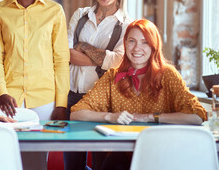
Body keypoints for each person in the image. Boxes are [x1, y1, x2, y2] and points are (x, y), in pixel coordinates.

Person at [71, 19, 207, 170]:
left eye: (144, 42)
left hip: (162, 154)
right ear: (125, 44)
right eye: (132, 41)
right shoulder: (113, 76)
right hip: (123, 157)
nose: (137, 48)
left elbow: (196, 116)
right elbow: (76, 113)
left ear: (154, 46)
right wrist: (109, 116)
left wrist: (150, 117)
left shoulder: (168, 74)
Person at [0, 0, 70, 170]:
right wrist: (1, 92)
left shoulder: (55, 11)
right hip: (8, 100)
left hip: (45, 100)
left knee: (36, 162)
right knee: (5, 158)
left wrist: (61, 103)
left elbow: (61, 60)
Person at [64, 0, 132, 170]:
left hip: (104, 100)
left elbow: (118, 62)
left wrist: (83, 46)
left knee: (101, 164)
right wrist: (103, 57)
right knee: (73, 164)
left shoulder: (127, 25)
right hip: (71, 96)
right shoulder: (81, 15)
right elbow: (66, 53)